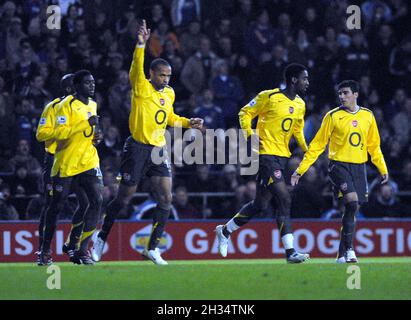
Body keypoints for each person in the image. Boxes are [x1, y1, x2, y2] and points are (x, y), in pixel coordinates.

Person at [91, 20, 203, 265]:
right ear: (152, 74)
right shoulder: (141, 86)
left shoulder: (170, 93)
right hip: (138, 148)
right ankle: (101, 238)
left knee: (166, 198)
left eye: (168, 76)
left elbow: (169, 117)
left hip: (158, 150)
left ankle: (152, 248)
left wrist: (187, 122)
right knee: (124, 198)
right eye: (162, 75)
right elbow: (135, 68)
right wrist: (140, 45)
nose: (165, 79)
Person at [215, 63, 310, 263]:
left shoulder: (301, 104)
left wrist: (308, 150)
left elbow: (297, 130)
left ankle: (225, 231)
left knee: (260, 204)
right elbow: (244, 113)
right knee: (284, 198)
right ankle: (290, 252)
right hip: (265, 155)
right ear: (293, 80)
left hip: (282, 157)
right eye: (304, 78)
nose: (307, 83)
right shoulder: (269, 96)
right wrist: (250, 135)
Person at [291, 80, 389, 263]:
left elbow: (374, 146)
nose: (342, 97)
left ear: (356, 94)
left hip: (359, 167)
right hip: (338, 166)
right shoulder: (332, 116)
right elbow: (317, 145)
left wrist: (382, 167)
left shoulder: (367, 116)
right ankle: (351, 250)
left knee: (353, 209)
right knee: (351, 203)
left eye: (345, 93)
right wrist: (300, 170)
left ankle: (341, 254)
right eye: (340, 94)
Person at [38, 70, 104, 266]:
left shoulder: (93, 104)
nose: (92, 86)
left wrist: (95, 135)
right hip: (65, 163)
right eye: (87, 83)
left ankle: (82, 250)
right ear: (75, 87)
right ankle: (44, 250)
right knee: (55, 207)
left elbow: (89, 130)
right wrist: (85, 124)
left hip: (89, 161)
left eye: (93, 82)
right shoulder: (62, 106)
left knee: (96, 201)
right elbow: (59, 133)